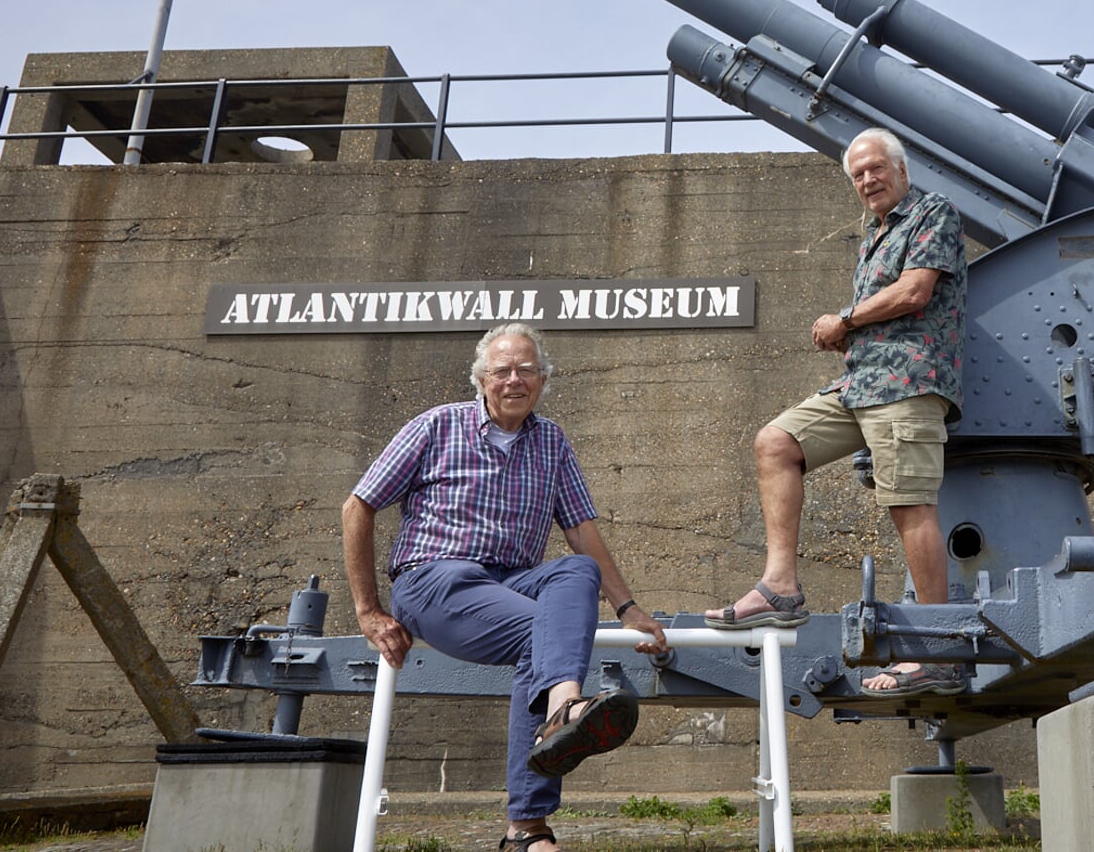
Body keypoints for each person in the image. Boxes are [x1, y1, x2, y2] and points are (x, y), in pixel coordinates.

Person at [344, 322, 667, 852]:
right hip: (435, 579)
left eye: (526, 370)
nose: (514, 379)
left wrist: (629, 608)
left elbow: (582, 530)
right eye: (502, 370)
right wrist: (367, 610)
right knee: (543, 636)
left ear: (542, 379)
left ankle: (561, 716)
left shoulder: (552, 441)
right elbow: (359, 505)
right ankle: (531, 823)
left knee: (576, 573)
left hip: (511, 582)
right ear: (481, 379)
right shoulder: (436, 426)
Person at [704, 127, 969, 697]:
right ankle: (780, 588)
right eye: (858, 175)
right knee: (775, 442)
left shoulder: (932, 213)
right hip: (860, 383)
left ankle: (937, 651)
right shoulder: (873, 234)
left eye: (876, 168)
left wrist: (845, 321)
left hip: (907, 382)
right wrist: (850, 338)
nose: (868, 180)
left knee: (909, 504)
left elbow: (914, 292)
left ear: (901, 169)